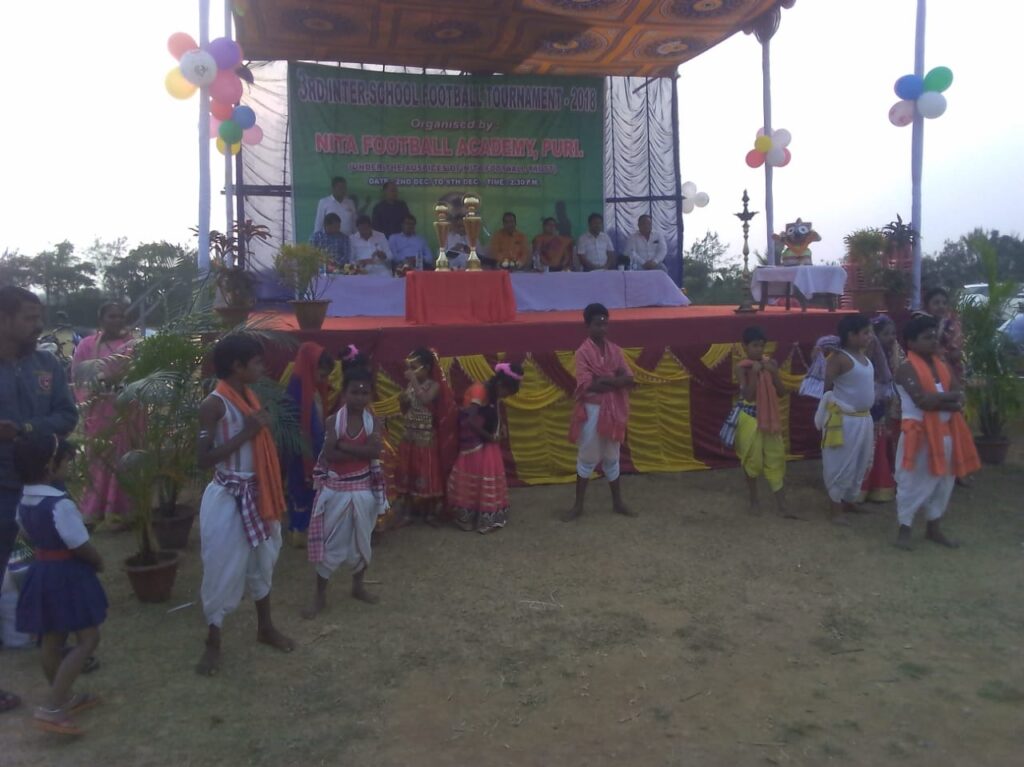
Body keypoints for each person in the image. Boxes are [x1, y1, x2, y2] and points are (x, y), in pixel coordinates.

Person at [195, 335, 294, 676]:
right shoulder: (214, 405)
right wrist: (247, 432)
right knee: (220, 567)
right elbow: (203, 459)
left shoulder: (251, 397)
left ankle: (265, 627)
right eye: (257, 362)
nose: (263, 368)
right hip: (228, 497)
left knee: (263, 562)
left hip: (258, 493)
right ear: (237, 366)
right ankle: (213, 641)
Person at [0, 286, 78, 715]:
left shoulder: (47, 364)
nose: (38, 325)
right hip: (2, 488)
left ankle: (59, 649)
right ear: (4, 319)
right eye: (29, 317)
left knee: (50, 569)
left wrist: (26, 430)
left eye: (38, 316)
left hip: (45, 488)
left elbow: (68, 415)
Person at [13, 435, 106, 735]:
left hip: (43, 571)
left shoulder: (24, 500)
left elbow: (27, 534)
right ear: (49, 466)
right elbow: (79, 544)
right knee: (88, 639)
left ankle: (63, 697)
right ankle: (52, 707)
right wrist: (97, 562)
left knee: (51, 639)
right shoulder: (59, 504)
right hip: (68, 576)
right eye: (65, 460)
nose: (68, 464)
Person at [303, 366, 387, 617]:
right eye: (355, 392)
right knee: (330, 544)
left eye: (365, 392)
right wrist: (359, 450)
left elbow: (375, 452)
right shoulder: (333, 421)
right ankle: (320, 596)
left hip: (364, 491)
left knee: (362, 541)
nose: (360, 397)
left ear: (371, 394)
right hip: (336, 491)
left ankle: (358, 586)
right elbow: (330, 455)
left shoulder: (374, 422)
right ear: (344, 393)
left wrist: (344, 445)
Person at [893, 315, 980, 550]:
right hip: (917, 436)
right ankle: (904, 529)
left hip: (946, 433)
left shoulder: (942, 365)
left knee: (944, 481)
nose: (933, 341)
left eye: (934, 336)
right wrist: (949, 400)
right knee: (912, 482)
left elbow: (958, 396)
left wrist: (943, 400)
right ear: (911, 342)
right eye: (926, 337)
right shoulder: (906, 368)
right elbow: (923, 401)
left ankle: (934, 528)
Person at [563, 304, 635, 521]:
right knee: (587, 457)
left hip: (613, 410)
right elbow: (587, 385)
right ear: (588, 326)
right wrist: (615, 381)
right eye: (597, 324)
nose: (602, 329)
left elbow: (629, 378)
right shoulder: (582, 353)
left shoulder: (615, 350)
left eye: (605, 324)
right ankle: (578, 506)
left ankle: (618, 502)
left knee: (612, 457)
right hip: (592, 410)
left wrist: (604, 380)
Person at [70, 302, 138, 526]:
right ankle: (95, 509)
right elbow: (78, 377)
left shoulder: (133, 345)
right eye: (112, 316)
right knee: (99, 459)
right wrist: (93, 392)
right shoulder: (87, 345)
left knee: (126, 459)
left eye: (120, 316)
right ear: (101, 320)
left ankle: (125, 512)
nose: (117, 320)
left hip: (128, 410)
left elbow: (143, 375)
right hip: (99, 411)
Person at [448, 363, 523, 533]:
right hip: (473, 444)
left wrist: (500, 427)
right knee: (474, 478)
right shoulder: (480, 390)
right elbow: (470, 421)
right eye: (506, 392)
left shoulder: (493, 391)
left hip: (486, 442)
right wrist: (490, 437)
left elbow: (493, 412)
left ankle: (482, 516)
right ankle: (466, 516)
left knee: (483, 477)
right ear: (500, 384)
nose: (505, 396)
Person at [816, 314, 875, 525]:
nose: (870, 336)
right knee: (840, 464)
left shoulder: (865, 357)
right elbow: (825, 387)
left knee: (860, 462)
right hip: (843, 421)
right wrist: (830, 409)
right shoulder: (839, 358)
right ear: (851, 335)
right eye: (866, 333)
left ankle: (849, 500)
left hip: (864, 419)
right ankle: (835, 509)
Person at [394, 348, 459, 525]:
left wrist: (413, 381)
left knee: (427, 474)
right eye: (409, 367)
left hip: (425, 438)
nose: (410, 371)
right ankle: (408, 512)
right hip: (409, 435)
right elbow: (406, 410)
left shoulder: (435, 386)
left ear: (428, 368)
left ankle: (430, 512)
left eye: (414, 367)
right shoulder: (410, 386)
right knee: (407, 473)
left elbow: (425, 400)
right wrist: (403, 402)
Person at [282, 342, 334, 546]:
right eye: (322, 374)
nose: (324, 379)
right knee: (301, 487)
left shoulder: (310, 387)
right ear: (311, 367)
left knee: (311, 488)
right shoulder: (296, 391)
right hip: (300, 452)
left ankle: (307, 528)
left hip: (313, 449)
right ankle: (300, 530)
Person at [734, 326, 787, 514]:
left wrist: (774, 373)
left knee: (776, 457)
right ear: (745, 346)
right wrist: (755, 375)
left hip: (770, 419)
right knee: (752, 461)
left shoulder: (770, 364)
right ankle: (754, 501)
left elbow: (782, 392)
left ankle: (782, 505)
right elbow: (748, 396)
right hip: (750, 418)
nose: (759, 350)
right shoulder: (742, 367)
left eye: (762, 346)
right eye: (755, 346)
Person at [860, 316, 905, 502]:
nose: (891, 337)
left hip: (888, 404)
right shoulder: (867, 354)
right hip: (869, 404)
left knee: (881, 442)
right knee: (870, 444)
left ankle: (880, 484)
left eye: (893, 333)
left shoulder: (896, 353)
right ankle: (865, 486)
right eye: (886, 334)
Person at [920, 287, 964, 381]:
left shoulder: (953, 324)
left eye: (944, 303)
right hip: (925, 372)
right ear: (926, 306)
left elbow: (956, 354)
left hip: (951, 374)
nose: (941, 306)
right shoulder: (920, 324)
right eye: (936, 303)